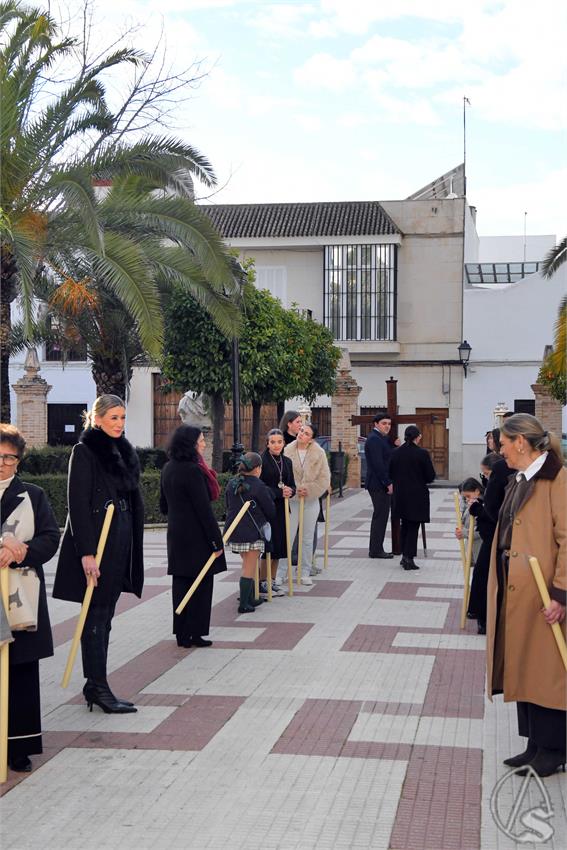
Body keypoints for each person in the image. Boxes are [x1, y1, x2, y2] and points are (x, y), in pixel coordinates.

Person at [53, 394, 144, 714]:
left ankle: (97, 684)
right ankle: (96, 685)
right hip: (98, 543)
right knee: (95, 615)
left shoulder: (123, 451)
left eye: (123, 418)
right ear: (98, 418)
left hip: (119, 538)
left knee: (105, 615)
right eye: (114, 418)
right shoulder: (85, 451)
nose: (119, 424)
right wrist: (87, 553)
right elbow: (76, 505)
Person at [487, 413, 566, 777]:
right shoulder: (520, 478)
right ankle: (534, 742)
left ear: (521, 441)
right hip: (518, 588)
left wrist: (560, 594)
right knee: (524, 665)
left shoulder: (557, 480)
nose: (500, 450)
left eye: (503, 443)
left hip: (544, 593)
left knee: (546, 670)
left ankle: (553, 750)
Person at [0, 424, 60, 772]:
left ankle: (19, 747)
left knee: (20, 670)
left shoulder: (33, 496)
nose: (3, 463)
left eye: (10, 457)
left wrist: (22, 552)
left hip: (21, 596)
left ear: (18, 462)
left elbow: (51, 539)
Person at [160, 426, 226, 648]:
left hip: (176, 534)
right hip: (197, 537)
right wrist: (217, 542)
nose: (204, 444)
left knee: (181, 582)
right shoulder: (193, 471)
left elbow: (162, 506)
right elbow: (204, 510)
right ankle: (195, 632)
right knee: (201, 584)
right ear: (191, 444)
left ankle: (182, 633)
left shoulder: (168, 467)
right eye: (201, 441)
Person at [225, 453, 275, 613]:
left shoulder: (231, 483)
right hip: (253, 532)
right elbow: (270, 510)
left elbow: (228, 505)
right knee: (249, 566)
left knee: (247, 564)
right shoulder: (259, 485)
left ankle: (252, 596)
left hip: (234, 530)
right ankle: (244, 603)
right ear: (258, 468)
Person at [284, 422, 330, 586]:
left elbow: (325, 478)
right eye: (301, 430)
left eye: (306, 433)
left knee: (308, 538)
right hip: (291, 501)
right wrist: (293, 489)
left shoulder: (319, 453)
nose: (302, 434)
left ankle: (304, 572)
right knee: (288, 536)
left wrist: (309, 489)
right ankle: (282, 572)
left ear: (311, 439)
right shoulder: (287, 450)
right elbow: (280, 476)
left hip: (310, 501)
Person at [467, 453, 508, 634]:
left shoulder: (502, 475)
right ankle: (480, 614)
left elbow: (494, 513)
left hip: (496, 537)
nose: (485, 478)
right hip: (494, 536)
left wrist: (477, 510)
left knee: (485, 575)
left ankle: (484, 617)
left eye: (486, 474)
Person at [389, 425, 436, 570]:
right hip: (416, 495)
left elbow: (390, 472)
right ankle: (409, 558)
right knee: (413, 526)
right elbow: (430, 476)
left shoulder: (396, 453)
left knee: (404, 525)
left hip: (400, 495)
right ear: (418, 437)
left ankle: (404, 555)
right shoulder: (422, 453)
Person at [259, 429, 296, 597]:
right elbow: (259, 487)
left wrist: (291, 491)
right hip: (267, 509)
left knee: (279, 546)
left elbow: (292, 484)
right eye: (272, 442)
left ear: (284, 443)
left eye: (279, 442)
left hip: (282, 508)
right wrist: (279, 492)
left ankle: (272, 580)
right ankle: (262, 582)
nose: (276, 445)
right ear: (267, 443)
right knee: (268, 546)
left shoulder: (287, 461)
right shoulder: (262, 461)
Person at [365, 411, 395, 559]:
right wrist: (387, 483)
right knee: (380, 516)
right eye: (384, 423)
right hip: (378, 484)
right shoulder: (374, 439)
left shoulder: (381, 438)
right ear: (376, 424)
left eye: (389, 424)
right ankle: (376, 550)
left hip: (380, 483)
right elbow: (378, 464)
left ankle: (377, 548)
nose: (387, 426)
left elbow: (387, 457)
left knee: (381, 516)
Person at [454, 477, 484, 566]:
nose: (466, 499)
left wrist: (464, 533)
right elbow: (464, 520)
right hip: (472, 548)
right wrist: (460, 528)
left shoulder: (483, 507)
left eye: (468, 496)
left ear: (477, 491)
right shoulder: (471, 505)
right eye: (464, 497)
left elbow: (481, 530)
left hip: (480, 549)